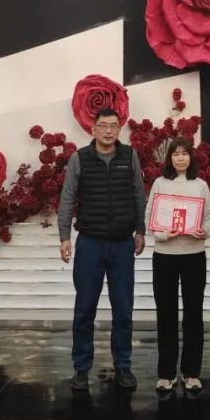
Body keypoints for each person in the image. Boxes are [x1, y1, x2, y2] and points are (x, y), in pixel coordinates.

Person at [58, 107, 146, 391]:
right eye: (103, 125)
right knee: (84, 309)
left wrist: (141, 230)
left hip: (122, 245)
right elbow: (67, 198)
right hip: (90, 244)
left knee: (123, 310)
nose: (108, 131)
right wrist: (64, 236)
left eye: (114, 126)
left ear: (119, 129)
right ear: (93, 129)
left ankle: (123, 366)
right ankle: (81, 368)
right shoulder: (79, 158)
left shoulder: (129, 156)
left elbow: (138, 194)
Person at [143, 136, 210, 394]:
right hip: (165, 256)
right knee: (166, 314)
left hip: (194, 255)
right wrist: (164, 234)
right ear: (169, 158)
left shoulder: (201, 185)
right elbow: (149, 219)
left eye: (185, 153)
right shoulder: (160, 183)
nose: (180, 158)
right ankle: (166, 373)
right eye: (176, 154)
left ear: (191, 157)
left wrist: (204, 231)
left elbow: (209, 218)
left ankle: (191, 372)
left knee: (193, 314)